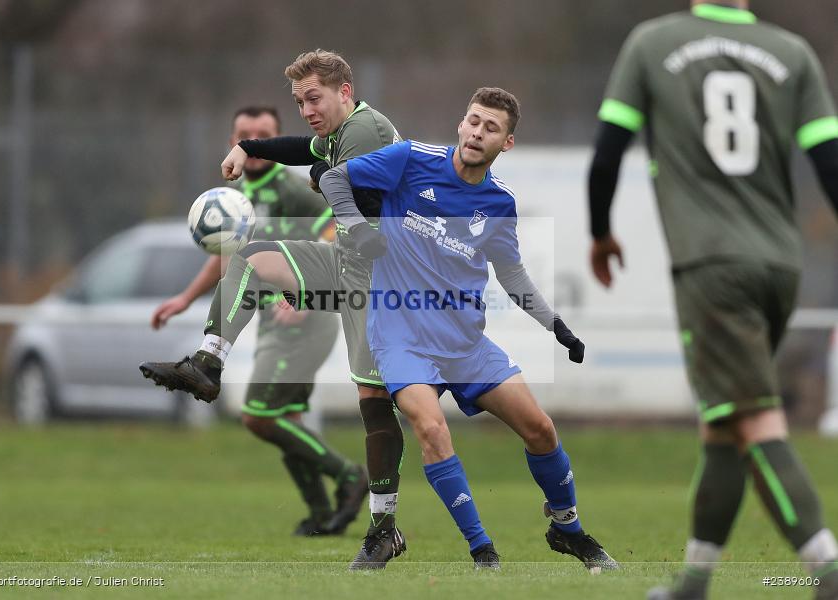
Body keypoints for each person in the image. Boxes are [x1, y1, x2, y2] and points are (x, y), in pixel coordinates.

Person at [589, 2, 838, 598]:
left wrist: (600, 232)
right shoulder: (792, 52)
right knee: (723, 426)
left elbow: (606, 154)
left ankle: (826, 570)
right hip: (779, 265)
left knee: (752, 418)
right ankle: (695, 583)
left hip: (711, 265)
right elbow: (829, 163)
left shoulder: (652, 43)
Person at [318, 87, 619, 571]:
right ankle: (483, 552)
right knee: (432, 429)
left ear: (507, 143)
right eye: (474, 121)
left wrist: (555, 325)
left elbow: (512, 274)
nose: (478, 132)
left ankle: (569, 531)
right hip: (401, 338)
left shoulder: (499, 203)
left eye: (491, 127)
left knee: (541, 430)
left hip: (465, 342)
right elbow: (334, 180)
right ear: (461, 124)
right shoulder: (411, 159)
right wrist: (355, 227)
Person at [140, 50, 408, 555]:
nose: (307, 109)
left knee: (381, 404)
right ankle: (207, 363)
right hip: (348, 264)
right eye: (300, 100)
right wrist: (250, 146)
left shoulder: (365, 131)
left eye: (314, 98)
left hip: (383, 279)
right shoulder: (333, 136)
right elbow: (302, 149)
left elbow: (340, 192)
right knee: (251, 254)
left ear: (344, 92)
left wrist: (322, 178)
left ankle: (383, 523)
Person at [150, 106, 359, 536]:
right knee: (288, 420)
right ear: (234, 141)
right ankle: (321, 513)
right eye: (245, 133)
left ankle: (349, 476)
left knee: (259, 417)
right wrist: (186, 298)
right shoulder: (236, 199)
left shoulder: (294, 190)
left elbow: (334, 234)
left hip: (306, 321)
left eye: (262, 134)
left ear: (275, 140)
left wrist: (306, 297)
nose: (254, 140)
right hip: (271, 322)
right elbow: (231, 258)